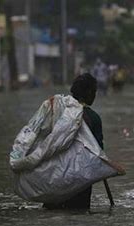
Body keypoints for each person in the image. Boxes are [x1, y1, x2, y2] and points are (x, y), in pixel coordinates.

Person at [43, 73, 103, 210]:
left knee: (51, 216)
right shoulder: (93, 118)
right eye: (94, 91)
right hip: (80, 182)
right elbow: (98, 152)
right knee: (77, 216)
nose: (95, 95)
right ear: (88, 93)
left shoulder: (59, 112)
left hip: (55, 177)